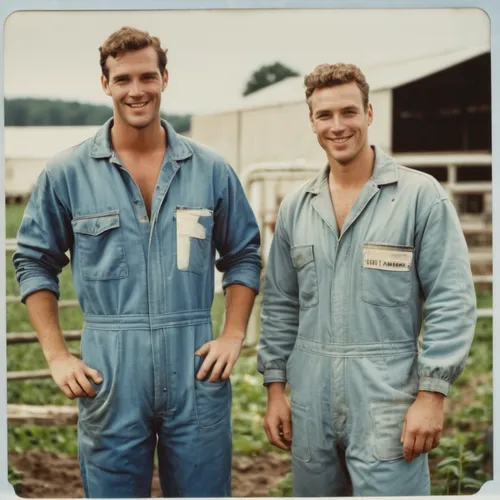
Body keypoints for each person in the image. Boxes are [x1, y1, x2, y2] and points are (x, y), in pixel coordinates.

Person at [13, 26, 261, 498]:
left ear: (165, 78)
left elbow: (244, 253)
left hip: (195, 368)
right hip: (111, 370)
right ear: (105, 84)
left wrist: (232, 334)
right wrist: (56, 355)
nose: (136, 90)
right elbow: (33, 261)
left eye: (147, 76)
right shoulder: (68, 171)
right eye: (123, 79)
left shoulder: (210, 169)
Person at [257, 62, 476, 496]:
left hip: (386, 399)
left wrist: (432, 395)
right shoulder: (296, 208)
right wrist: (275, 389)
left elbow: (451, 299)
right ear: (312, 122)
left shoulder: (419, 198)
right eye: (325, 115)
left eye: (348, 112)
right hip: (309, 400)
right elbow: (280, 304)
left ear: (369, 113)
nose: (337, 126)